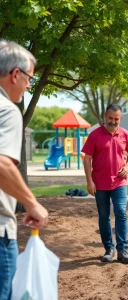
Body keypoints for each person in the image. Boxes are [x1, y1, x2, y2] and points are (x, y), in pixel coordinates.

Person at [0, 39, 48, 299]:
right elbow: (1, 164)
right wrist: (32, 204)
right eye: (29, 77)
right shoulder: (7, 110)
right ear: (15, 74)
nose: (30, 84)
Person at [82, 104, 128, 264]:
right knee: (104, 215)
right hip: (99, 182)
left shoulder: (125, 134)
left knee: (121, 211)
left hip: (120, 181)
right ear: (105, 116)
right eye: (111, 118)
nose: (113, 121)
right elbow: (87, 158)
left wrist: (127, 167)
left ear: (121, 118)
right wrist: (89, 181)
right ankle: (109, 249)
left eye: (116, 119)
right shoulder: (95, 135)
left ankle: (122, 249)